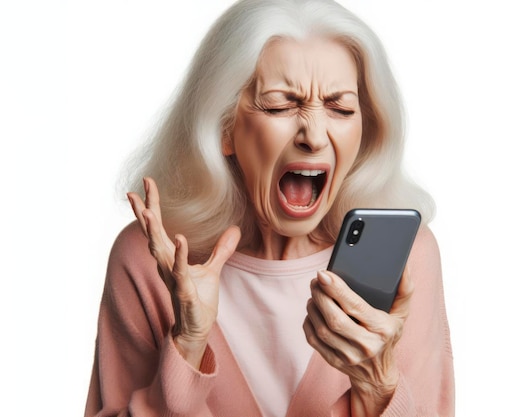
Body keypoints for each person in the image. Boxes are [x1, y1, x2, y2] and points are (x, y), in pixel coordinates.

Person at [84, 0, 455, 416]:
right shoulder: (152, 260)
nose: (314, 135)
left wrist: (377, 385)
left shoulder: (406, 259)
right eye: (280, 106)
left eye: (340, 108)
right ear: (224, 128)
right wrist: (187, 345)